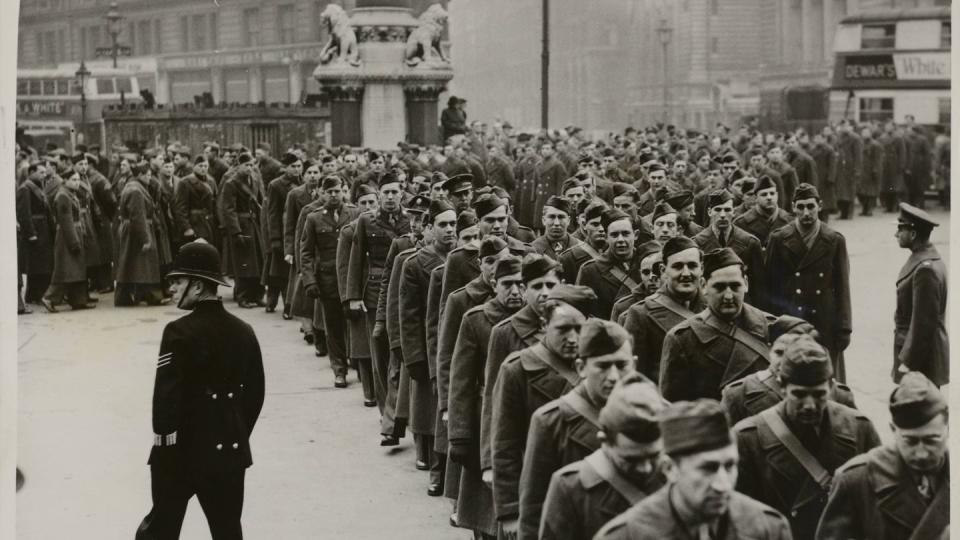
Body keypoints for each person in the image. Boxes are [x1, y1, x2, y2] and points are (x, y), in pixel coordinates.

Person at [135, 239, 264, 540]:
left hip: (181, 454)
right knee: (227, 530)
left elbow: (166, 401)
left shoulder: (178, 332)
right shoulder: (244, 331)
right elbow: (255, 394)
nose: (173, 290)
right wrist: (234, 430)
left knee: (159, 531)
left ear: (198, 285)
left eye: (178, 282)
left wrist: (164, 452)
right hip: (229, 451)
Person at [733, 335, 881, 540]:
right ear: (782, 386)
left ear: (831, 387)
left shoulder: (859, 428)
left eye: (819, 394)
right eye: (800, 394)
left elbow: (877, 504)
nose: (810, 404)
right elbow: (739, 518)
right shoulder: (749, 438)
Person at [594, 399, 792, 539]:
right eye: (708, 468)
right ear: (670, 469)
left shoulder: (768, 529)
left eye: (730, 466)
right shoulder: (625, 536)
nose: (722, 485)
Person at [490, 285, 596, 538]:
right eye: (562, 329)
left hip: (589, 492)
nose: (572, 338)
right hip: (538, 494)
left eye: (580, 329)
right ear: (544, 324)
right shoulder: (517, 369)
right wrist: (510, 511)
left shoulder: (599, 367)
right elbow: (504, 444)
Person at [518, 319, 637, 540]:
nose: (613, 377)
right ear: (581, 368)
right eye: (602, 366)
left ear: (635, 364)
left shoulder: (658, 415)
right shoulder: (551, 422)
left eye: (622, 365)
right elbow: (533, 511)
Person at [447, 255, 527, 537]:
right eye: (508, 284)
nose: (516, 291)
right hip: (485, 423)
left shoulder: (538, 321)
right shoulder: (476, 320)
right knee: (484, 514)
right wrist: (458, 434)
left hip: (522, 423)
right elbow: (461, 381)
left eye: (521, 284)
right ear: (494, 284)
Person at [816, 372, 949, 540]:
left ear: (947, 428)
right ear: (893, 430)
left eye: (932, 440)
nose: (921, 452)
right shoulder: (856, 481)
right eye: (910, 441)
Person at [538, 373, 667, 540]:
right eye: (631, 459)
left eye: (654, 456)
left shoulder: (681, 477)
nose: (645, 468)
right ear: (604, 441)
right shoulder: (571, 488)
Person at [660, 248, 782, 402]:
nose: (729, 296)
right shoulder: (682, 339)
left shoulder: (772, 328)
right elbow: (675, 410)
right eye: (719, 287)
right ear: (703, 286)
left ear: (746, 284)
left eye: (735, 286)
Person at [400, 199, 459, 495]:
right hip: (429, 344)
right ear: (430, 228)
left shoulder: (465, 259)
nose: (449, 230)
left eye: (453, 224)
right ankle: (436, 468)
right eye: (443, 225)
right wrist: (413, 356)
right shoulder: (415, 264)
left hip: (458, 344)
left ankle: (450, 472)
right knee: (432, 414)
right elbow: (409, 316)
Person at [765, 183, 852, 381]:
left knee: (828, 379)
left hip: (824, 321)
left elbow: (843, 287)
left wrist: (845, 327)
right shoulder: (779, 239)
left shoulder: (834, 239)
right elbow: (770, 287)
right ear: (793, 207)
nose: (806, 212)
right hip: (791, 320)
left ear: (820, 206)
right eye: (801, 206)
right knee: (790, 376)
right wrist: (771, 323)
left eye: (811, 206)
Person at [621, 237, 706, 383]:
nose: (686, 273)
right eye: (678, 266)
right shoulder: (641, 314)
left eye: (692, 266)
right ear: (663, 270)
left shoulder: (714, 308)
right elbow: (634, 377)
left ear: (702, 269)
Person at [893, 203, 948, 386]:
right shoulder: (926, 261)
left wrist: (908, 362)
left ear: (914, 234)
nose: (896, 234)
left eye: (900, 229)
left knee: (919, 410)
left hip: (922, 361)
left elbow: (923, 324)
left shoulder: (925, 270)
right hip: (920, 355)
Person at [693, 189, 765, 307]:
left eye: (727, 210)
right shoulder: (697, 244)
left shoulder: (750, 243)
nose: (722, 215)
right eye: (718, 210)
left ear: (734, 212)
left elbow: (760, 290)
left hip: (740, 308)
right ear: (709, 212)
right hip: (707, 309)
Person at [115, 162, 166, 306]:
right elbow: (138, 216)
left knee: (131, 265)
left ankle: (126, 297)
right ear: (140, 175)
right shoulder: (136, 191)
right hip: (137, 230)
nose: (150, 178)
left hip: (132, 230)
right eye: (148, 175)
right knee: (144, 266)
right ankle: (151, 296)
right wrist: (146, 239)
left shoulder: (132, 186)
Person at [576, 209, 644, 319]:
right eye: (614, 235)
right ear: (606, 237)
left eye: (626, 234)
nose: (620, 239)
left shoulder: (646, 264)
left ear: (635, 235)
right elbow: (581, 313)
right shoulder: (590, 271)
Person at [41, 173, 92, 312]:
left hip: (73, 234)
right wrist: (74, 242)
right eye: (73, 180)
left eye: (78, 180)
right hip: (67, 238)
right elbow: (66, 222)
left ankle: (79, 300)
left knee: (76, 269)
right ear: (65, 181)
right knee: (65, 270)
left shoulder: (69, 194)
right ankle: (49, 298)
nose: (77, 182)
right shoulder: (63, 196)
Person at [263, 152, 303, 315]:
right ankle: (272, 302)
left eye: (299, 166)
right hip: (282, 232)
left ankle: (289, 305)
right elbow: (272, 214)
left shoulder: (303, 183)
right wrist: (275, 239)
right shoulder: (276, 185)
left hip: (297, 232)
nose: (296, 170)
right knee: (278, 271)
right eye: (293, 167)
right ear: (285, 168)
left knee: (287, 271)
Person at [733, 176, 792, 249]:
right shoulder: (741, 224)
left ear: (777, 195)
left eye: (772, 193)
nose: (769, 197)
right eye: (764, 194)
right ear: (756, 197)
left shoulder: (790, 221)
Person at [532, 196, 579, 261]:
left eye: (561, 217)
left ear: (568, 220)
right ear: (544, 220)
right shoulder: (533, 249)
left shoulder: (580, 248)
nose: (556, 223)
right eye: (552, 217)